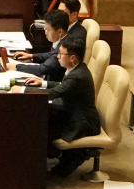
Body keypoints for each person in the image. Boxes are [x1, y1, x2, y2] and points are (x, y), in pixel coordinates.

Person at [39, 39, 99, 175]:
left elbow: (54, 93)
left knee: (43, 127)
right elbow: (61, 86)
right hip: (76, 113)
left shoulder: (77, 76)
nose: (58, 57)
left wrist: (23, 91)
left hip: (82, 122)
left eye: (61, 54)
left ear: (72, 58)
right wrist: (42, 84)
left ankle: (60, 160)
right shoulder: (77, 69)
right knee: (44, 120)